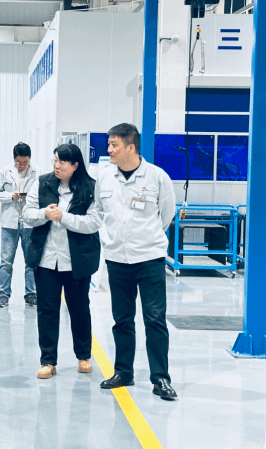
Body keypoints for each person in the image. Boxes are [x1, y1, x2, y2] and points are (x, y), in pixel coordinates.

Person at [96, 123, 177, 400]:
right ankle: (123, 372)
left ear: (130, 147)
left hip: (149, 258)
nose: (109, 149)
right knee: (122, 320)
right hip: (117, 258)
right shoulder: (105, 178)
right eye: (109, 144)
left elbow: (166, 214)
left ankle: (160, 378)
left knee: (155, 320)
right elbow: (100, 210)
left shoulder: (157, 177)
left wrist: (146, 238)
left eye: (114, 145)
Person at [23, 144, 101, 379]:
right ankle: (48, 361)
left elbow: (93, 222)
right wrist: (44, 214)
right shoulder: (42, 183)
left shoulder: (90, 187)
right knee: (47, 310)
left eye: (62, 162)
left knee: (79, 309)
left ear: (75, 165)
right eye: (55, 160)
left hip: (76, 260)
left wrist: (64, 217)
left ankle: (84, 356)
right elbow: (27, 214)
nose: (56, 166)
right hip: (47, 259)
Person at [0, 142, 44, 308]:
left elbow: (44, 194)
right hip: (9, 224)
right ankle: (3, 294)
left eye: (25, 162)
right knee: (6, 261)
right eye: (18, 162)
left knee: (31, 261)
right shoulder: (5, 172)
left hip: (30, 224)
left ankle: (31, 294)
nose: (21, 165)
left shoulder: (39, 172)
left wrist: (32, 198)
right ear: (14, 159)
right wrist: (11, 196)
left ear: (29, 159)